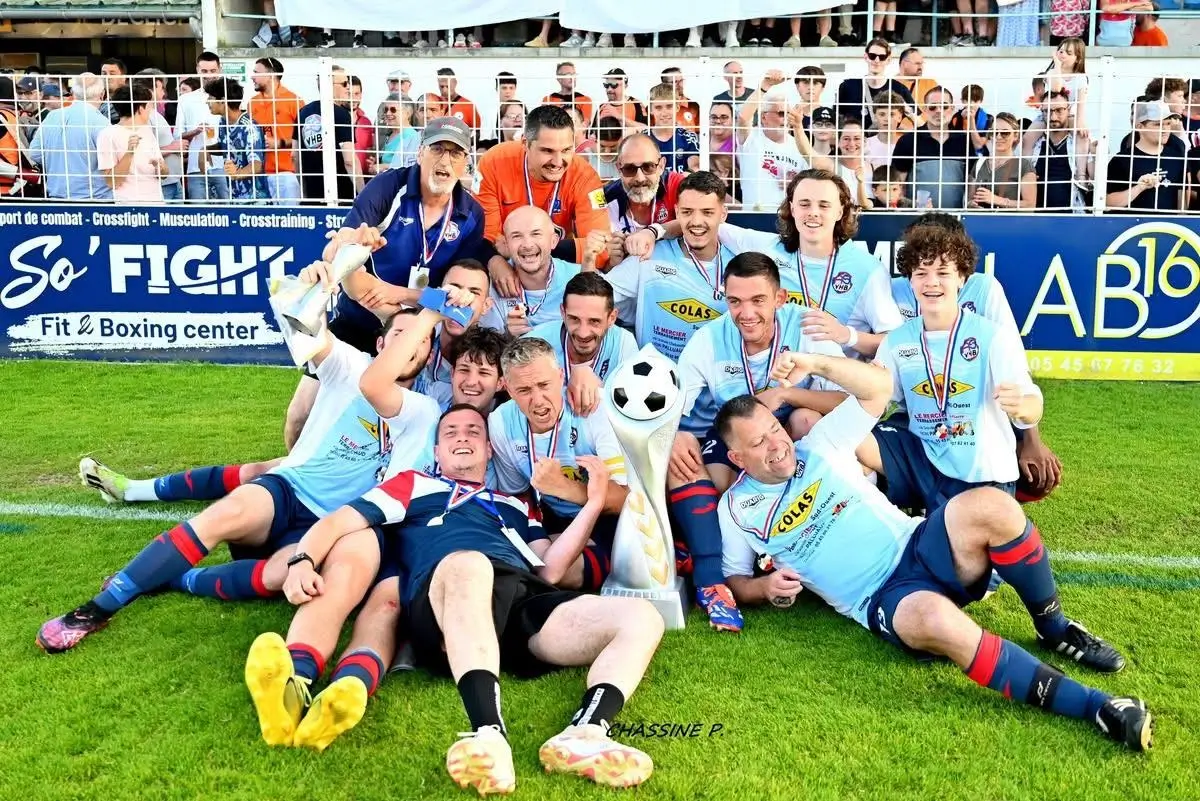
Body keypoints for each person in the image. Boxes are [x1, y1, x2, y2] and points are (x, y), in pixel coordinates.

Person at [715, 356, 1152, 753]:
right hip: (883, 597)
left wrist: (813, 364)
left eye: (775, 429)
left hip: (920, 544)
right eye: (759, 443)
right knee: (935, 621)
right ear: (736, 457)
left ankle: (1054, 628)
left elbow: (878, 388)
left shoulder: (820, 445)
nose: (777, 444)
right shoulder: (735, 510)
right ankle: (1098, 707)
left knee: (993, 505)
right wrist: (764, 588)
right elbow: (733, 579)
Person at [244, 403, 661, 792]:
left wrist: (593, 503)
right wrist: (302, 561)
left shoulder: (518, 505)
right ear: (437, 451)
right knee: (469, 564)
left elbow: (550, 570)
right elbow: (338, 522)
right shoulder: (413, 485)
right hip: (443, 600)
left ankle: (586, 732)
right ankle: (488, 735)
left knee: (642, 616)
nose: (463, 437)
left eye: (474, 431)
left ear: (489, 448)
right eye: (451, 432)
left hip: (518, 600)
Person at [38, 291, 441, 653]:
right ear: (380, 342)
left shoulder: (424, 411)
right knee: (227, 511)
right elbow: (306, 325)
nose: (411, 344)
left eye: (421, 339)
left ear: (429, 355)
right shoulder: (351, 364)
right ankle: (95, 610)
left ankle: (175, 579)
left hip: (329, 525)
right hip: (289, 490)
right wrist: (320, 281)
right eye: (401, 334)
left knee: (280, 575)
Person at [667, 252, 847, 634]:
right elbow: (672, 408)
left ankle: (815, 547)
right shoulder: (709, 338)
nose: (746, 313)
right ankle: (711, 579)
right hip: (737, 437)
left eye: (758, 300)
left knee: (806, 419)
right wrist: (676, 431)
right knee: (684, 459)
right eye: (735, 301)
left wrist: (787, 395)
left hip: (790, 433)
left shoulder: (806, 328)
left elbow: (851, 400)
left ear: (780, 298)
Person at [284, 122, 485, 451]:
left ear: (466, 162)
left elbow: (459, 292)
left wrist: (400, 295)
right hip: (359, 317)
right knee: (301, 414)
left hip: (412, 331)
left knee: (393, 428)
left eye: (455, 153)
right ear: (420, 152)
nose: (445, 161)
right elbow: (344, 240)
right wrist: (352, 244)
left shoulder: (471, 215)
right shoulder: (390, 186)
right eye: (437, 149)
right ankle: (294, 475)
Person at [627, 169, 903, 360]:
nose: (813, 213)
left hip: (829, 389)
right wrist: (653, 232)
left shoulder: (867, 269)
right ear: (792, 208)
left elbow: (897, 344)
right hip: (771, 380)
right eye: (804, 204)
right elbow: (700, 223)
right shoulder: (767, 247)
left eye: (823, 205)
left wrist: (847, 336)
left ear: (841, 210)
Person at [863, 220, 1043, 513]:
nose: (931, 282)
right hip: (924, 461)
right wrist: (817, 366)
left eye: (943, 273)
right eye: (921, 273)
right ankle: (881, 526)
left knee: (957, 542)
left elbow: (1031, 400)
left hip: (983, 475)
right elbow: (873, 397)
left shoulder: (992, 337)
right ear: (910, 280)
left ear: (961, 278)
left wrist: (1023, 406)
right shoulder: (897, 341)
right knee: (847, 441)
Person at [488, 338, 629, 591]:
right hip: (551, 519)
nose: (538, 399)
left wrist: (564, 487)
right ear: (508, 390)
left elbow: (624, 499)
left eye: (544, 385)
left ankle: (649, 558)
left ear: (561, 376)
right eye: (524, 390)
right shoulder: (500, 422)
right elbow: (516, 494)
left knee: (561, 574)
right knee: (528, 563)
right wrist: (535, 538)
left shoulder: (594, 407)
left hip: (608, 519)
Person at [475, 105, 612, 298]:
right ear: (525, 143)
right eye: (547, 151)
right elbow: (484, 240)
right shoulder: (494, 162)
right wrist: (494, 261)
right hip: (505, 275)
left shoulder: (586, 177)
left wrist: (526, 250)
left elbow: (600, 251)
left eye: (566, 150)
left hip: (555, 274)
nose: (558, 161)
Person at [604, 171, 736, 361]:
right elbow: (599, 298)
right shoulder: (649, 257)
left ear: (723, 214)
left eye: (707, 212)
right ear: (677, 211)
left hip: (713, 376)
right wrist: (591, 258)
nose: (696, 222)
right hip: (656, 376)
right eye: (687, 212)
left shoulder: (739, 264)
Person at [524, 272, 638, 417]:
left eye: (594, 321)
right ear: (563, 313)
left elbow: (634, 407)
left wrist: (600, 390)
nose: (583, 333)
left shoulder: (623, 343)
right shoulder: (533, 343)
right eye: (574, 319)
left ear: (612, 318)